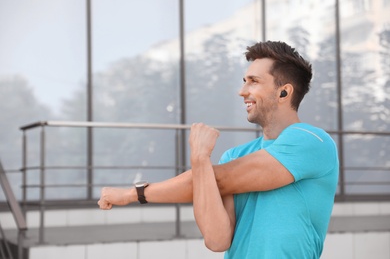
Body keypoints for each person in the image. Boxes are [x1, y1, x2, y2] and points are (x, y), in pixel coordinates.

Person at [98, 41, 339, 258]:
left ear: (284, 92)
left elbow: (221, 180)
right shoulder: (234, 156)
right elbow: (216, 240)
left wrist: (132, 194)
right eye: (244, 81)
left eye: (253, 81)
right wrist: (200, 159)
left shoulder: (311, 142)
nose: (242, 91)